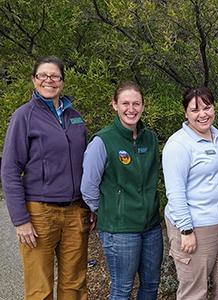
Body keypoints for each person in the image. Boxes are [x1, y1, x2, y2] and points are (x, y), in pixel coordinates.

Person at [1, 56, 90, 299]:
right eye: (43, 75)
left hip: (75, 211)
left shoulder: (75, 116)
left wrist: (90, 204)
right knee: (40, 288)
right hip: (39, 213)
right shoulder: (24, 116)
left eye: (55, 76)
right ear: (34, 80)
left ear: (62, 81)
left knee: (75, 285)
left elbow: (87, 165)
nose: (49, 80)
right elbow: (9, 170)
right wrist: (20, 220)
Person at [81, 81, 162, 300]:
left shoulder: (150, 138)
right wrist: (107, 209)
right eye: (125, 103)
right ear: (114, 105)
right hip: (120, 229)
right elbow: (88, 186)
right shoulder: (103, 140)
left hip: (151, 226)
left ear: (143, 106)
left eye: (136, 103)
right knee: (122, 289)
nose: (131, 109)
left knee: (151, 284)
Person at [163, 87, 218, 299]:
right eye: (195, 110)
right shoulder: (178, 144)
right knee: (194, 293)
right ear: (185, 113)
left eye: (207, 107)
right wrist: (186, 230)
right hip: (195, 228)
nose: (203, 114)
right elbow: (175, 191)